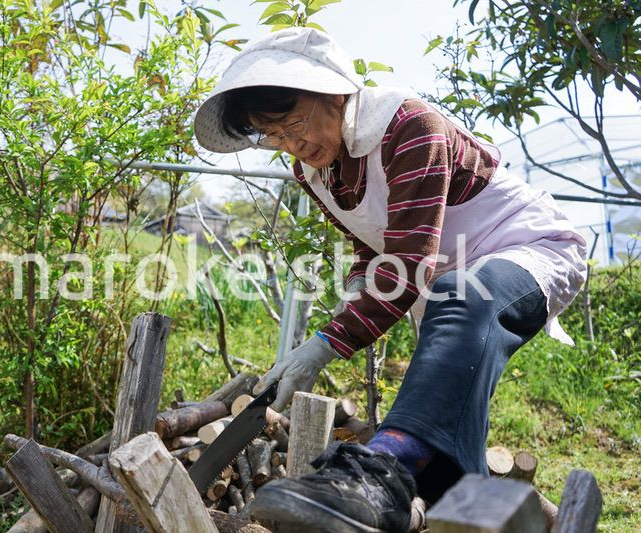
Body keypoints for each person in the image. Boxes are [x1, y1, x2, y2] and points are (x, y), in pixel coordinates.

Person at [194, 27, 586, 532]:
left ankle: (382, 473)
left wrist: (327, 343)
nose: (293, 144)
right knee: (448, 447)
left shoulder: (408, 126)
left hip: (525, 251)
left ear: (334, 94)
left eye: (296, 123)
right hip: (448, 290)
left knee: (460, 290)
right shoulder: (314, 173)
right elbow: (373, 247)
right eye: (275, 136)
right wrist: (357, 288)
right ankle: (457, 512)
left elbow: (406, 265)